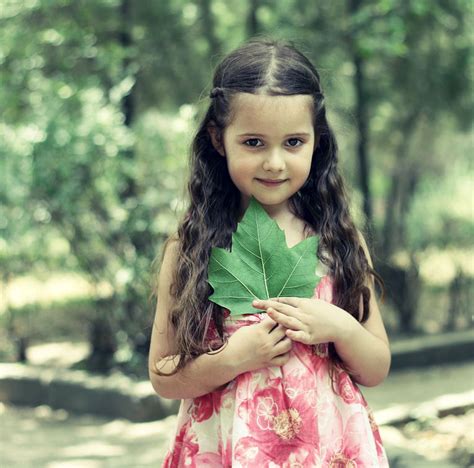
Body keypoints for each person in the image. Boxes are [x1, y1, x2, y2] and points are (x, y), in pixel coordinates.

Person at [149, 37, 391, 467]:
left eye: (294, 142)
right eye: (254, 143)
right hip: (228, 449)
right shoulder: (191, 249)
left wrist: (342, 327)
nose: (275, 163)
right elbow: (163, 375)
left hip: (325, 449)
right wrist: (233, 358)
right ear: (218, 139)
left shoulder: (338, 241)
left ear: (317, 141)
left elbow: (375, 368)